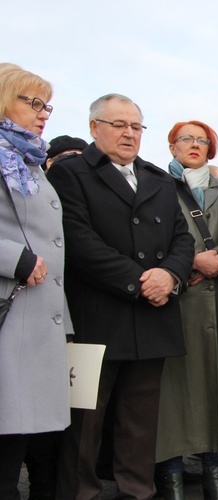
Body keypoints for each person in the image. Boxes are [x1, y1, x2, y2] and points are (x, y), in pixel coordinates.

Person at [48, 93, 194, 499]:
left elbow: (183, 239)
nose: (129, 133)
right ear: (95, 128)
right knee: (85, 424)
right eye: (119, 124)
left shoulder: (159, 179)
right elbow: (78, 241)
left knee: (140, 423)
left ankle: (137, 492)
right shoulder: (71, 173)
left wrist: (170, 276)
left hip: (153, 318)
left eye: (136, 126)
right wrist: (139, 281)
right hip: (98, 316)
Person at [155, 120, 218, 499]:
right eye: (186, 139)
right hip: (175, 301)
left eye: (202, 140)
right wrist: (193, 261)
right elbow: (148, 236)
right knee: (174, 393)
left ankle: (215, 473)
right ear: (172, 146)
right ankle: (171, 476)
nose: (194, 145)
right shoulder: (156, 184)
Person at [0, 63, 70, 500]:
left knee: (20, 433)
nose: (43, 112)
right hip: (12, 305)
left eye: (47, 105)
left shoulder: (27, 157)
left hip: (36, 311)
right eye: (33, 102)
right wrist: (15, 258)